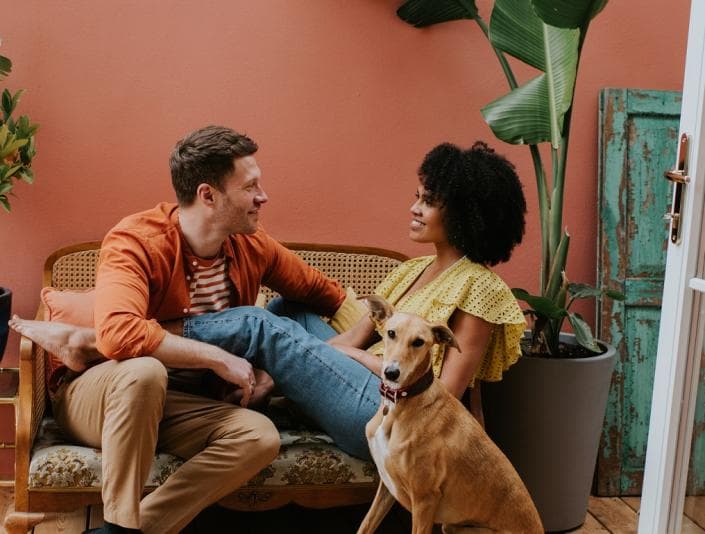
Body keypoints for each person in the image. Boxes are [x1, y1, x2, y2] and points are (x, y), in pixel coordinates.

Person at [11, 140, 527, 524]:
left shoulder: (480, 290)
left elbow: (443, 395)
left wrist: (367, 360)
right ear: (209, 194)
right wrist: (297, 360)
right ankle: (125, 353)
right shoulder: (408, 271)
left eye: (428, 201)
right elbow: (339, 335)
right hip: (353, 387)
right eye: (417, 196)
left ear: (463, 214)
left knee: (263, 324)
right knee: (283, 311)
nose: (414, 208)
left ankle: (90, 339)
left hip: (396, 411)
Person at [11, 125, 350, 534]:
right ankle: (119, 522)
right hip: (102, 399)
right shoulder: (136, 239)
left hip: (182, 405)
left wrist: (374, 340)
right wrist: (217, 355)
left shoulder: (251, 245)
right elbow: (119, 334)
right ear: (208, 195)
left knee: (259, 436)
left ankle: (127, 532)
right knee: (144, 370)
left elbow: (324, 293)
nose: (264, 196)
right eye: (251, 186)